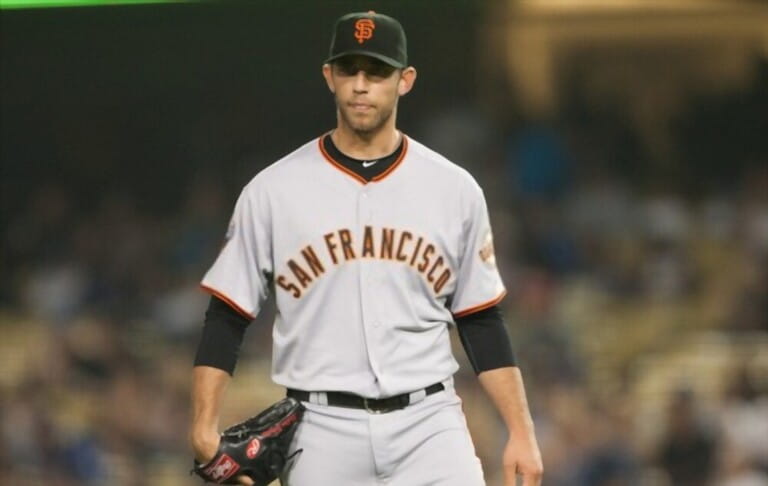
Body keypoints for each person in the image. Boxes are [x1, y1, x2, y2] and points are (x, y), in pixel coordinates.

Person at [189, 11, 542, 486]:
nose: (360, 85)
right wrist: (202, 428)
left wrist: (521, 431)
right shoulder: (272, 191)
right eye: (349, 70)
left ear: (405, 80)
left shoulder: (454, 189)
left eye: (376, 71)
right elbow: (227, 314)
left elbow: (479, 319)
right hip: (320, 428)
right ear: (328, 76)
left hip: (429, 423)